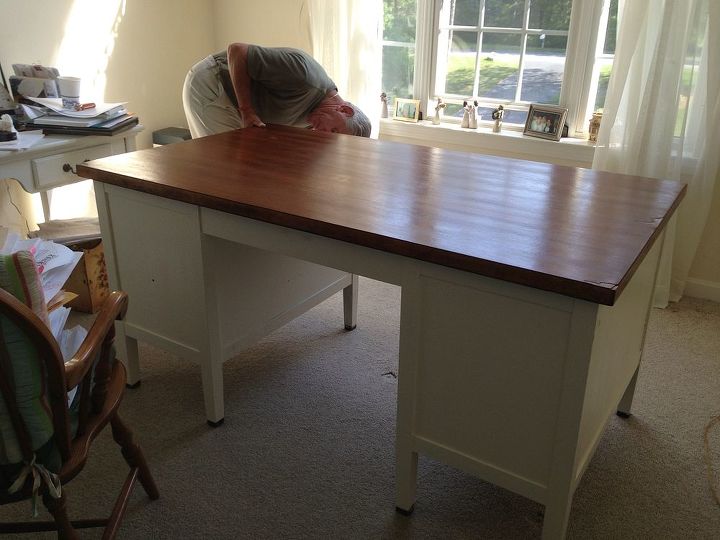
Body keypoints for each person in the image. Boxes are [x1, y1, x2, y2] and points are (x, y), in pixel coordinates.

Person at [182, 42, 371, 138]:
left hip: (230, 103)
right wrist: (247, 111)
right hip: (212, 83)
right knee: (223, 170)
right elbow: (237, 51)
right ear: (344, 110)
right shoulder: (304, 77)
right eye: (334, 131)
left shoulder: (315, 116)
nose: (324, 134)